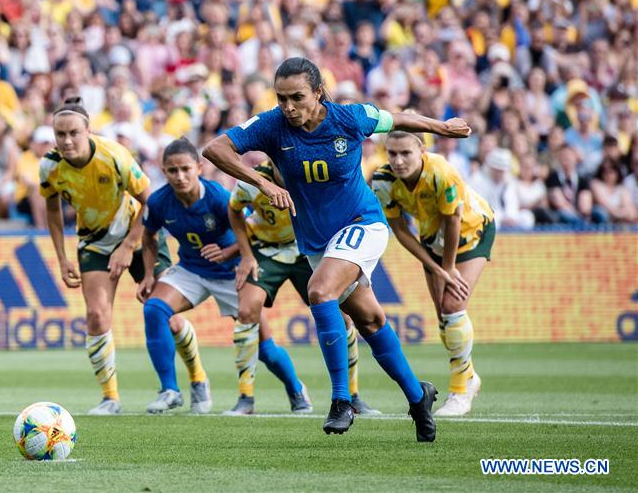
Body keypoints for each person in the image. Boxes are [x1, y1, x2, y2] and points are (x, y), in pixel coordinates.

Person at [204, 57, 470, 441]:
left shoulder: (349, 118)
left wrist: (441, 127)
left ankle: (342, 400)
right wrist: (262, 183)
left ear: (318, 93)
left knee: (319, 291)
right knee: (370, 321)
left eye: (297, 97)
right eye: (281, 98)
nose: (288, 107)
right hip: (318, 242)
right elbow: (216, 149)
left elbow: (396, 119)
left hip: (363, 224)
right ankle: (418, 396)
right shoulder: (271, 125)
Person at [138, 139, 308, 416]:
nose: (180, 176)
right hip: (191, 269)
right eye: (172, 171)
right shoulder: (159, 201)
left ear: (199, 168)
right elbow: (148, 237)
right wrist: (148, 274)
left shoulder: (217, 197)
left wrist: (228, 252)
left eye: (185, 169)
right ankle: (170, 390)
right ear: (163, 171)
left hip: (233, 273)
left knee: (264, 347)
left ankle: (296, 389)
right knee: (154, 309)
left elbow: (251, 229)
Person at [40, 97, 180, 416]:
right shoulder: (49, 165)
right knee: (96, 316)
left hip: (138, 233)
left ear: (88, 131)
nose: (67, 141)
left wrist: (129, 245)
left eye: (73, 133)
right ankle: (110, 398)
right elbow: (52, 209)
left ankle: (197, 381)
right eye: (60, 134)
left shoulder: (114, 155)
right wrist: (62, 258)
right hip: (95, 241)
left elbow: (151, 202)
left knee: (168, 315)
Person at [229, 159, 378, 415]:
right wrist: (246, 255)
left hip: (308, 248)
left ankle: (353, 396)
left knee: (344, 318)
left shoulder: (312, 174)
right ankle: (246, 398)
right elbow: (233, 209)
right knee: (246, 310)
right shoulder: (252, 181)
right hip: (267, 250)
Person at [372, 131, 495, 416]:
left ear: (422, 150)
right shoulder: (383, 180)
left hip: (472, 230)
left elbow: (453, 220)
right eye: (392, 153)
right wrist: (435, 267)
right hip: (431, 238)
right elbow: (400, 229)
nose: (398, 161)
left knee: (453, 307)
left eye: (406, 153)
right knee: (443, 318)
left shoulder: (442, 173)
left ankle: (460, 392)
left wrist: (448, 269)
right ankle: (469, 376)